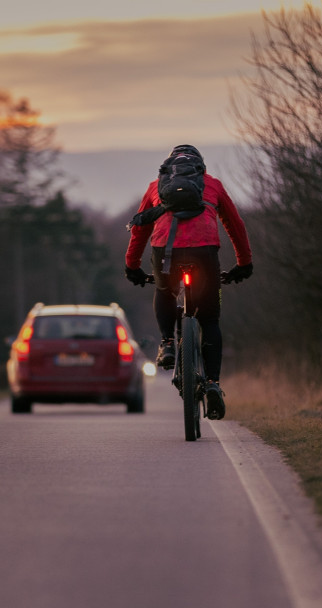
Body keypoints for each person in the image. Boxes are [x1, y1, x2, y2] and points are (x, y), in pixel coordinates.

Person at [123, 144, 253, 420]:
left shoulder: (155, 186)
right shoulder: (212, 184)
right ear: (200, 166)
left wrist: (132, 266)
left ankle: (168, 343)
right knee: (210, 320)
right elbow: (235, 225)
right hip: (204, 252)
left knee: (164, 290)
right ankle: (213, 383)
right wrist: (244, 263)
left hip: (165, 251)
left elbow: (140, 229)